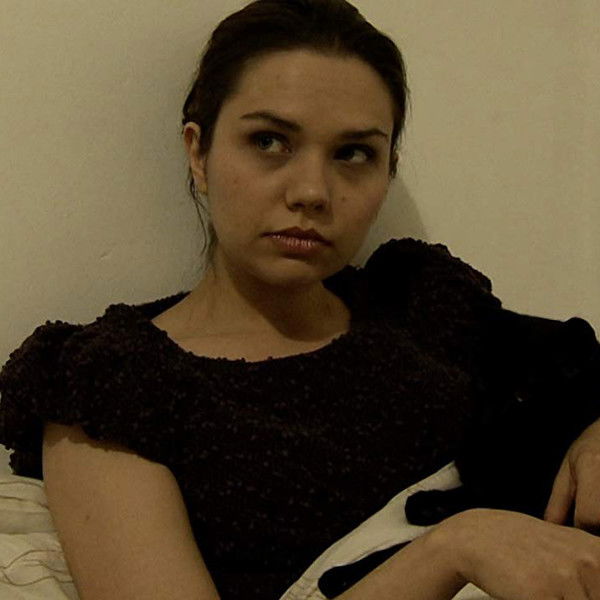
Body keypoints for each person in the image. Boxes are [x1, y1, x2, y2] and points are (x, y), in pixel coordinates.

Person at [1, 1, 600, 599]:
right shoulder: (110, 383)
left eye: (353, 153)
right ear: (198, 152)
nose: (312, 191)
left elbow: (572, 369)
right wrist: (455, 550)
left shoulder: (414, 301)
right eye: (269, 141)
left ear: (388, 169)